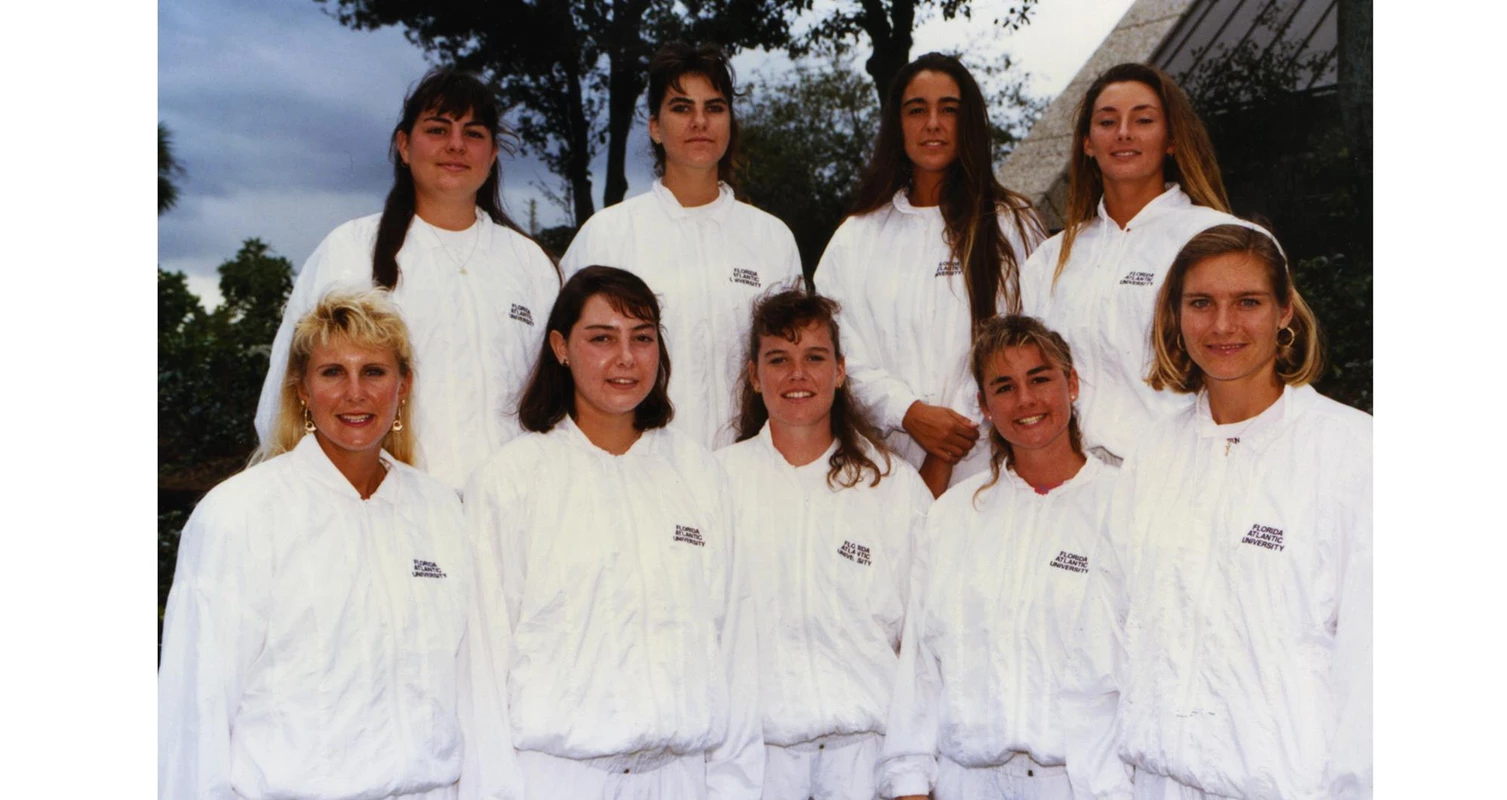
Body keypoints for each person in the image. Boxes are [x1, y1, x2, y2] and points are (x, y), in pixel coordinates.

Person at [160, 289, 519, 799]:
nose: (356, 393)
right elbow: (196, 708)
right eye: (333, 372)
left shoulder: (442, 513)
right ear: (302, 389)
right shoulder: (239, 514)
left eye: (374, 371)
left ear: (403, 386)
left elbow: (471, 689)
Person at [1060, 225, 1372, 799]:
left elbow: (1373, 666)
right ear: (1175, 316)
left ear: (1284, 312)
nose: (1223, 325)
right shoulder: (1151, 457)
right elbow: (1097, 651)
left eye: (1247, 302)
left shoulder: (1355, 453)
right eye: (1201, 303)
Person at [463, 266, 762, 798]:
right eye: (601, 338)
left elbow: (734, 646)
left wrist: (732, 787)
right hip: (555, 778)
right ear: (560, 346)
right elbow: (483, 665)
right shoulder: (510, 482)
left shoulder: (699, 475)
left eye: (642, 338)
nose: (625, 358)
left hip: (680, 778)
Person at [255, 67, 561, 493]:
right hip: (389, 512)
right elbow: (285, 395)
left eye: (473, 133)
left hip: (514, 511)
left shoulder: (530, 264)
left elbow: (560, 400)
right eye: (437, 129)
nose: (455, 145)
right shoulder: (349, 251)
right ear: (403, 145)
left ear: (492, 155)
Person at [879, 315, 1122, 800]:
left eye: (1040, 379)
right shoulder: (953, 516)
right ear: (984, 406)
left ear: (1072, 385)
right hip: (967, 781)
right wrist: (909, 781)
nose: (1026, 401)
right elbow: (922, 665)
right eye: (1004, 387)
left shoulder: (1125, 507)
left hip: (1085, 784)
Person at [715, 290, 933, 800]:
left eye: (814, 358)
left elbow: (924, 646)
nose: (798, 375)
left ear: (840, 371)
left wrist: (911, 778)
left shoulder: (892, 486)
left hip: (867, 762)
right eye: (778, 360)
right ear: (753, 375)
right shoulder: (715, 483)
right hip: (753, 768)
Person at [815, 52, 1046, 498]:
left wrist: (943, 455)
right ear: (897, 125)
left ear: (970, 123)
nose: (933, 123)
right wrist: (908, 412)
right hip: (878, 477)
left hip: (989, 473)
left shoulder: (1011, 224)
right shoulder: (856, 235)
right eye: (917, 110)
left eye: (950, 110)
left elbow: (1023, 344)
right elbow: (836, 353)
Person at [1020, 62, 1270, 463]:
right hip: (1079, 491)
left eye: (1143, 120)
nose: (1123, 133)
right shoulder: (1048, 261)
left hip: (1189, 478)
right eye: (1107, 121)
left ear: (1171, 139)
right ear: (1087, 142)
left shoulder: (1220, 241)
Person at [560, 42, 803, 450]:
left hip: (752, 469)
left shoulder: (772, 238)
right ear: (655, 126)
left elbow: (795, 362)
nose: (699, 122)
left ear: (730, 121)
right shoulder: (607, 234)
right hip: (641, 468)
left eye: (714, 107)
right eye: (681, 108)